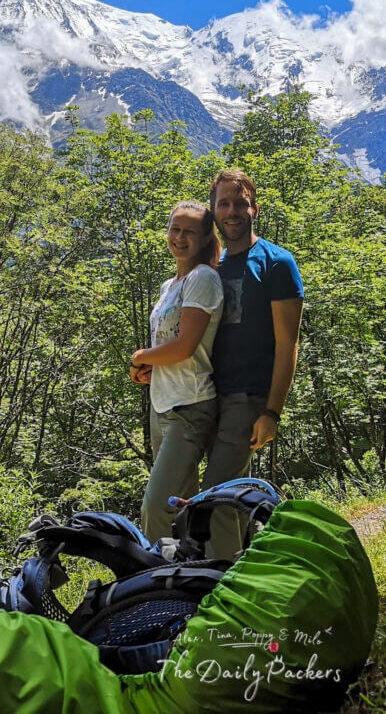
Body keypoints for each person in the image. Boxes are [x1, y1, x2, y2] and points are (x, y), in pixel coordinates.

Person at [206, 169, 304, 557]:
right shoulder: (209, 265)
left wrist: (272, 411)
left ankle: (223, 589)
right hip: (204, 397)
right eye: (223, 204)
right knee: (221, 498)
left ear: (254, 208)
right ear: (213, 211)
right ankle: (259, 561)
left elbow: (288, 343)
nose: (232, 211)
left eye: (239, 203)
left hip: (247, 399)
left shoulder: (277, 263)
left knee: (217, 500)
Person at [130, 201, 224, 543]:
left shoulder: (203, 278)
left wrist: (141, 356)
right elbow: (176, 352)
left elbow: (185, 347)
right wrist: (151, 369)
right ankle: (192, 577)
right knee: (182, 504)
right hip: (163, 404)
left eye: (190, 231)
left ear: (204, 239)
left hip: (190, 406)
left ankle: (152, 582)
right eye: (175, 228)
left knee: (156, 506)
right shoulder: (169, 285)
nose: (180, 237)